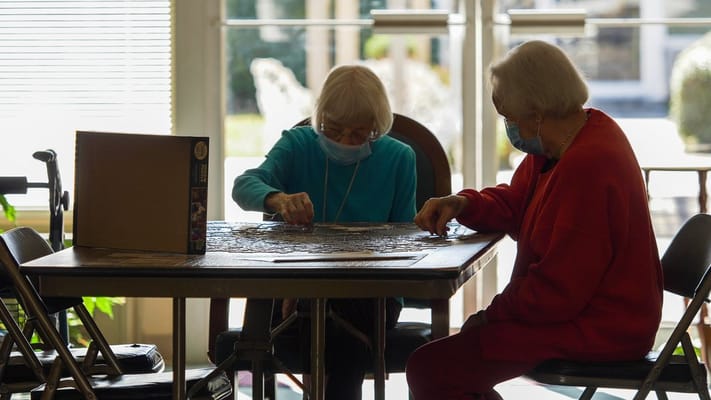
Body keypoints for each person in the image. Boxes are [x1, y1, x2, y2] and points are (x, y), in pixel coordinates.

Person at [406, 40, 664, 400]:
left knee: (433, 367)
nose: (509, 127)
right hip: (585, 313)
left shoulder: (587, 165)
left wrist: (491, 316)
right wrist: (462, 204)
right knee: (444, 365)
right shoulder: (569, 141)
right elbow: (516, 202)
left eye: (509, 117)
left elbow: (557, 291)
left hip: (602, 326)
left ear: (537, 111)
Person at [233, 64, 417, 400]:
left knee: (330, 314)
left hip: (372, 291)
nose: (345, 140)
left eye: (359, 133)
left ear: (377, 127)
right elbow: (244, 186)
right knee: (320, 317)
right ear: (320, 118)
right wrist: (278, 199)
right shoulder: (298, 144)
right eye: (333, 129)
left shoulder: (398, 159)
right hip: (293, 284)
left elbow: (405, 241)